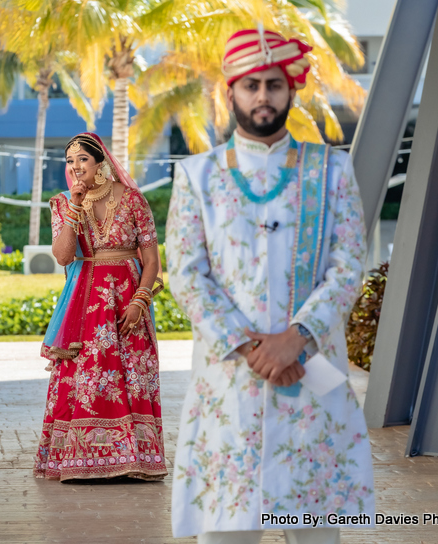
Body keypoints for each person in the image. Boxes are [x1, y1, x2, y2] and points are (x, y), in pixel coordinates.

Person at [166, 27, 375, 543]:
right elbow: (188, 273)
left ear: (292, 90)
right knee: (226, 531)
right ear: (230, 91)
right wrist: (254, 349)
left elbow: (349, 264)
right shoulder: (198, 176)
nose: (263, 96)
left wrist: (293, 339)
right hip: (231, 385)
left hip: (310, 374)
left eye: (274, 85)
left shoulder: (331, 170)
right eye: (251, 84)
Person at [33, 132, 168, 482]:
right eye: (70, 161)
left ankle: (133, 460)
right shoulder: (63, 203)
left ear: (100, 162)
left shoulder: (134, 201)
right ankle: (79, 460)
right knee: (86, 376)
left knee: (132, 374)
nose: (76, 167)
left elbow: (152, 260)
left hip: (128, 294)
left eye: (82, 160)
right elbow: (63, 256)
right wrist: (76, 206)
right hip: (86, 300)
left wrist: (140, 300)